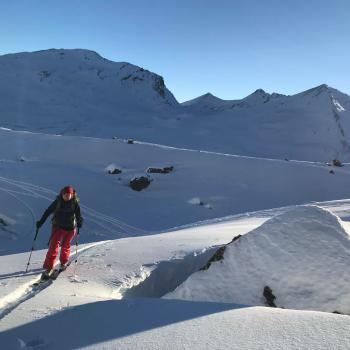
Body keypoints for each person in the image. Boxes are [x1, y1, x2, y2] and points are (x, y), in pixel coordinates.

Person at [36, 185, 83, 279]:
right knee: (54, 246)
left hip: (70, 228)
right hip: (58, 227)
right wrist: (41, 222)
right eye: (65, 195)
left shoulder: (75, 203)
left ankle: (63, 262)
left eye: (69, 195)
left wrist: (80, 222)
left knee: (66, 246)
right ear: (62, 194)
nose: (67, 197)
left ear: (72, 195)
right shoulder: (57, 202)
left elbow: (78, 215)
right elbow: (48, 211)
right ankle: (49, 267)